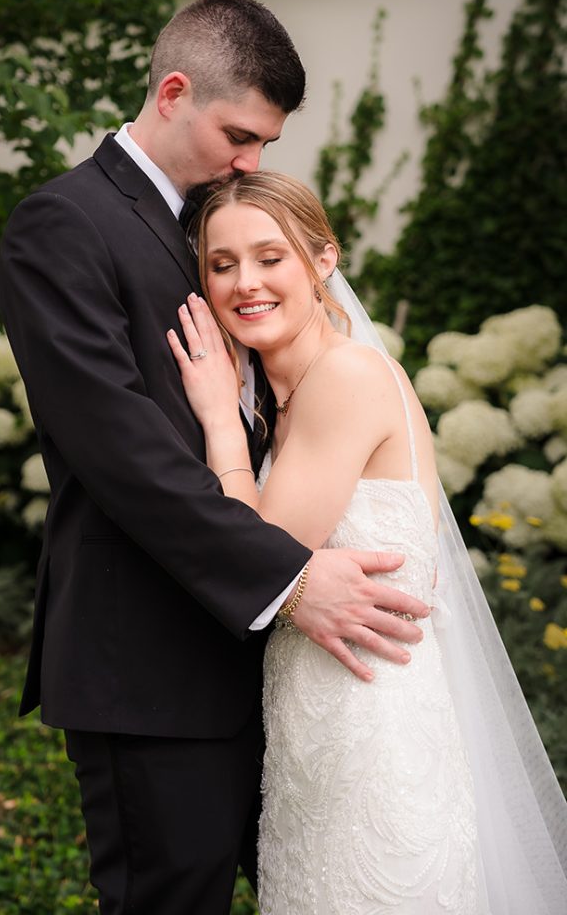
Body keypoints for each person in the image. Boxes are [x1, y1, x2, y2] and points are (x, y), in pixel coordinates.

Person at [0, 0, 431, 915]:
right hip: (148, 662)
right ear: (174, 92)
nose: (252, 161)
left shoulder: (212, 225)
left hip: (272, 672)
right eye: (240, 135)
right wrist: (294, 577)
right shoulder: (66, 224)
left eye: (266, 146)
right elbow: (119, 451)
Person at [169, 169, 567, 914]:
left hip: (372, 745)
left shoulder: (346, 377)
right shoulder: (290, 394)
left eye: (269, 257)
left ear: (324, 261)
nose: (244, 283)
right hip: (313, 743)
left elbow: (257, 552)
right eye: (221, 266)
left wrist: (220, 421)